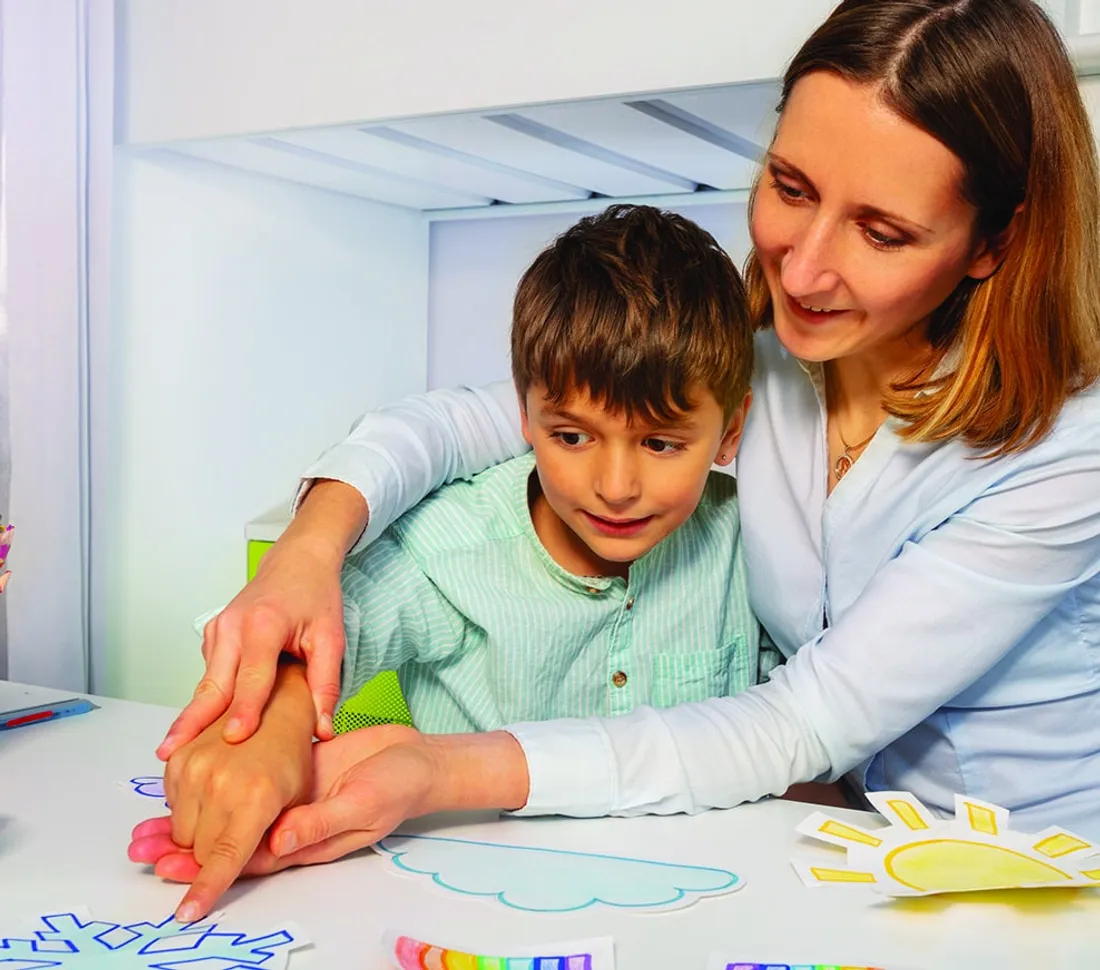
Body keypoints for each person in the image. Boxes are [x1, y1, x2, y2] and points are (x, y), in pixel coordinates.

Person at [138, 0, 1100, 917]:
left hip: (1044, 875)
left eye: (881, 232)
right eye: (790, 188)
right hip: (851, 860)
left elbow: (800, 723)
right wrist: (309, 554)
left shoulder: (1068, 450)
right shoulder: (759, 362)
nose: (800, 270)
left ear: (993, 242)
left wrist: (439, 768)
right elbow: (470, 422)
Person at [141, 203, 779, 920]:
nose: (616, 486)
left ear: (731, 433)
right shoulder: (452, 545)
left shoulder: (749, 545)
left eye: (661, 444)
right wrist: (279, 729)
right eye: (572, 436)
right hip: (465, 912)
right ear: (523, 418)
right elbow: (319, 627)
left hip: (699, 911)